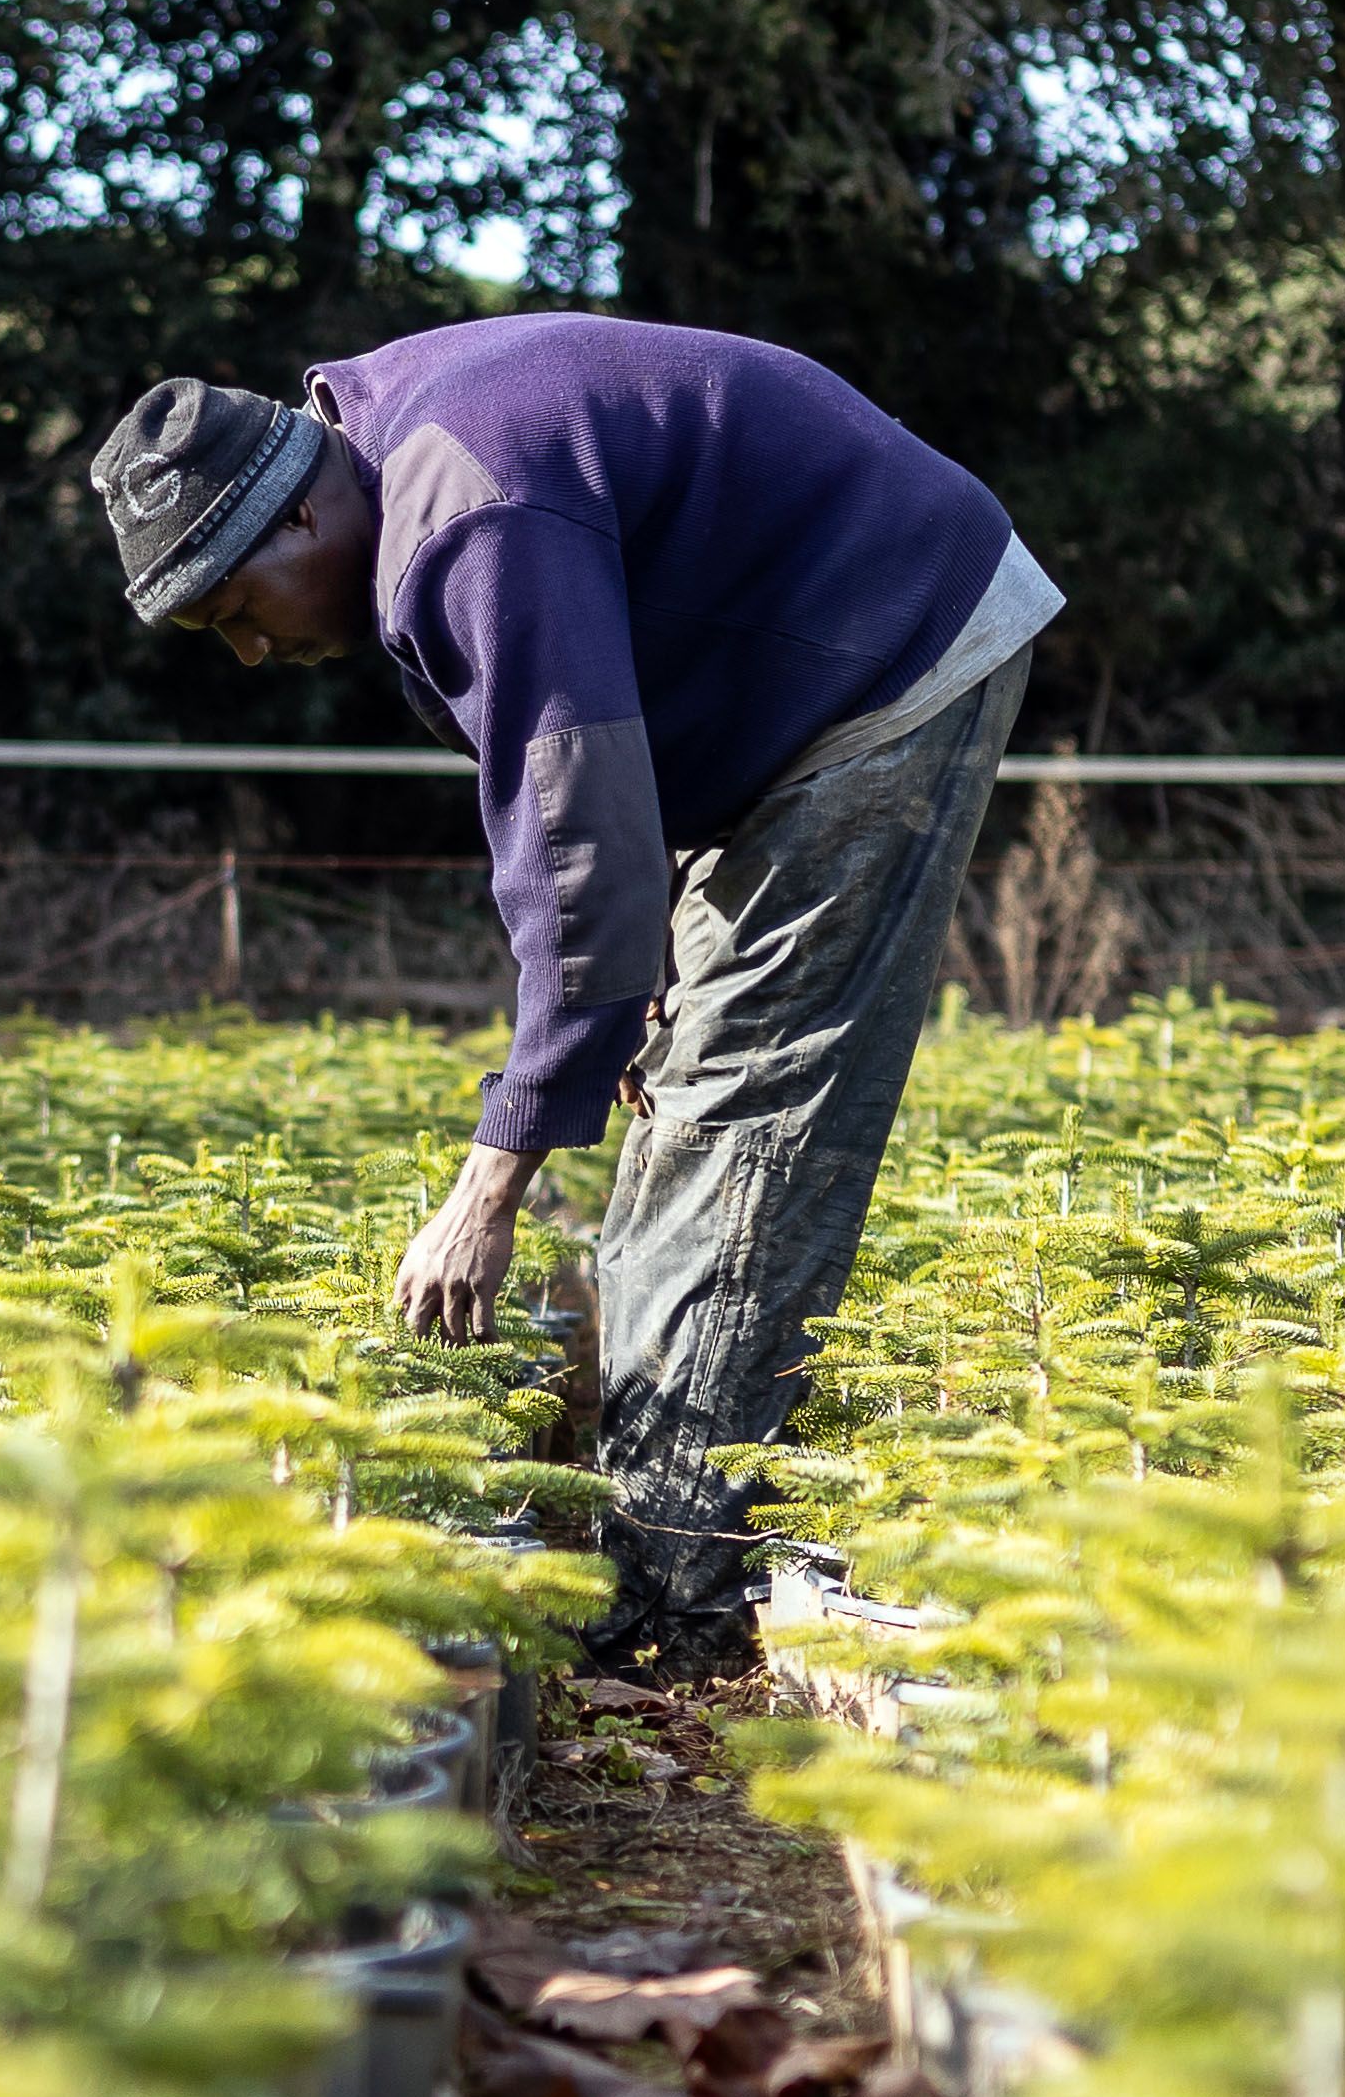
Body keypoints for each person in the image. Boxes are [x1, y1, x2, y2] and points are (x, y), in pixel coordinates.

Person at [89, 313, 1059, 1669]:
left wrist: (488, 1188)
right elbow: (590, 794)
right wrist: (634, 980)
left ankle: (676, 1600)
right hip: (790, 672)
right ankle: (668, 1533)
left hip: (882, 647)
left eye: (233, 614)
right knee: (683, 1090)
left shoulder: (463, 520)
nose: (251, 653)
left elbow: (574, 857)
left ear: (300, 522)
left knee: (741, 1110)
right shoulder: (397, 456)